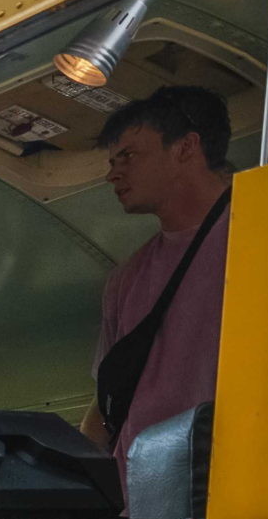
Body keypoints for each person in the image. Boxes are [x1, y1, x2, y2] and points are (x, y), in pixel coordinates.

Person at [87, 84, 235, 491]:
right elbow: (106, 404)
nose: (112, 173)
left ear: (187, 147)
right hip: (138, 497)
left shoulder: (262, 232)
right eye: (112, 160)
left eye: (129, 156)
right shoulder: (126, 278)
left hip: (221, 488)